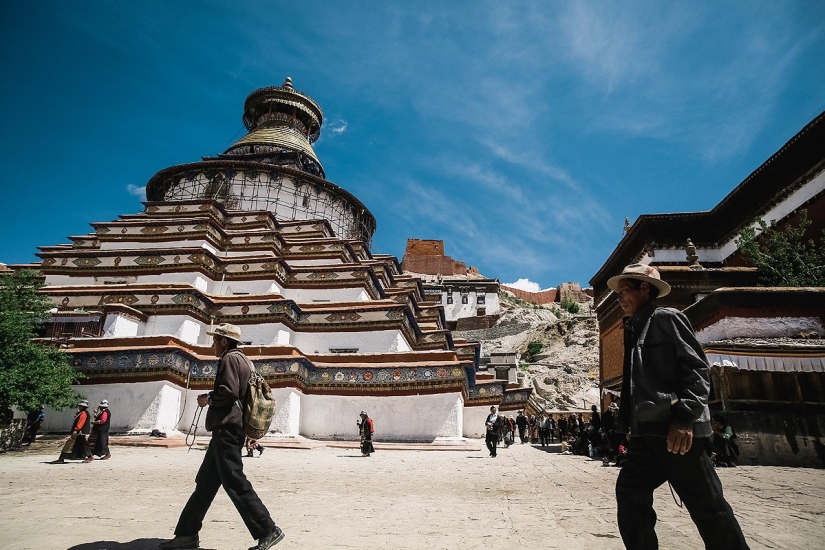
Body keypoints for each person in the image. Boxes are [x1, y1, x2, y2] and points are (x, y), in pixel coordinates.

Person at [609, 264, 749, 549]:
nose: (619, 298)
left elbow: (697, 370)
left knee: (707, 505)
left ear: (644, 288)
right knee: (629, 493)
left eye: (624, 291)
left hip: (678, 431)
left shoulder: (666, 319)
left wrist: (685, 419)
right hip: (646, 434)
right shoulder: (633, 328)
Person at [159, 323, 284, 550]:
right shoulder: (245, 360)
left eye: (215, 340)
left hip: (227, 429)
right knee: (205, 485)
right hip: (229, 430)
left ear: (224, 341)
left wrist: (208, 398)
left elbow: (228, 392)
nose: (213, 344)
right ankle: (186, 534)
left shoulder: (229, 359)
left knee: (235, 481)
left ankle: (268, 530)